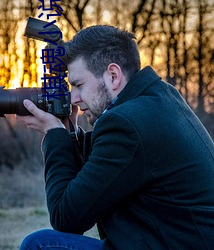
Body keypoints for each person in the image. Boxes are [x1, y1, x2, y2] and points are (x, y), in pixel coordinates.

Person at [17, 25, 214, 249]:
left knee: (40, 244)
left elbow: (67, 219)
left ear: (113, 75)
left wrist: (54, 135)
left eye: (79, 85)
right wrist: (69, 134)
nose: (74, 98)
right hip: (178, 240)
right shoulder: (158, 98)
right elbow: (102, 173)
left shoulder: (126, 124)